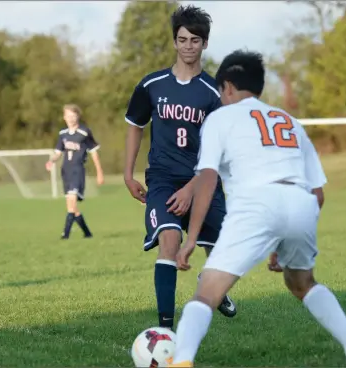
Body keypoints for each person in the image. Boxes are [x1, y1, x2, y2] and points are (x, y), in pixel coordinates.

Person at [168, 50, 346, 368]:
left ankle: (181, 361)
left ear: (226, 87)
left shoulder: (220, 118)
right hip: (300, 202)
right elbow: (318, 193)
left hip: (255, 203)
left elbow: (208, 177)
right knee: (302, 283)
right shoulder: (289, 121)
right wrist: (286, 237)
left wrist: (191, 237)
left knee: (206, 294)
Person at [124, 5, 237, 331]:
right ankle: (165, 331)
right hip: (161, 179)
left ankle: (214, 284)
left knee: (230, 257)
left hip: (203, 182)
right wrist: (128, 174)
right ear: (175, 42)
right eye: (182, 39)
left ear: (204, 44)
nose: (188, 46)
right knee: (169, 240)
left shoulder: (215, 93)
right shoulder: (152, 85)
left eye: (195, 40)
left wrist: (192, 189)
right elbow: (135, 124)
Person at [46, 104, 104, 239]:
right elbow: (58, 152)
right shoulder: (62, 134)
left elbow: (94, 153)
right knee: (71, 207)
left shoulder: (84, 132)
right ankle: (87, 233)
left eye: (73, 116)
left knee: (72, 202)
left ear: (78, 116)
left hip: (78, 171)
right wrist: (51, 161)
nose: (71, 119)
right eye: (68, 116)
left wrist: (99, 172)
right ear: (64, 117)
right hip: (66, 171)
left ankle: (65, 234)